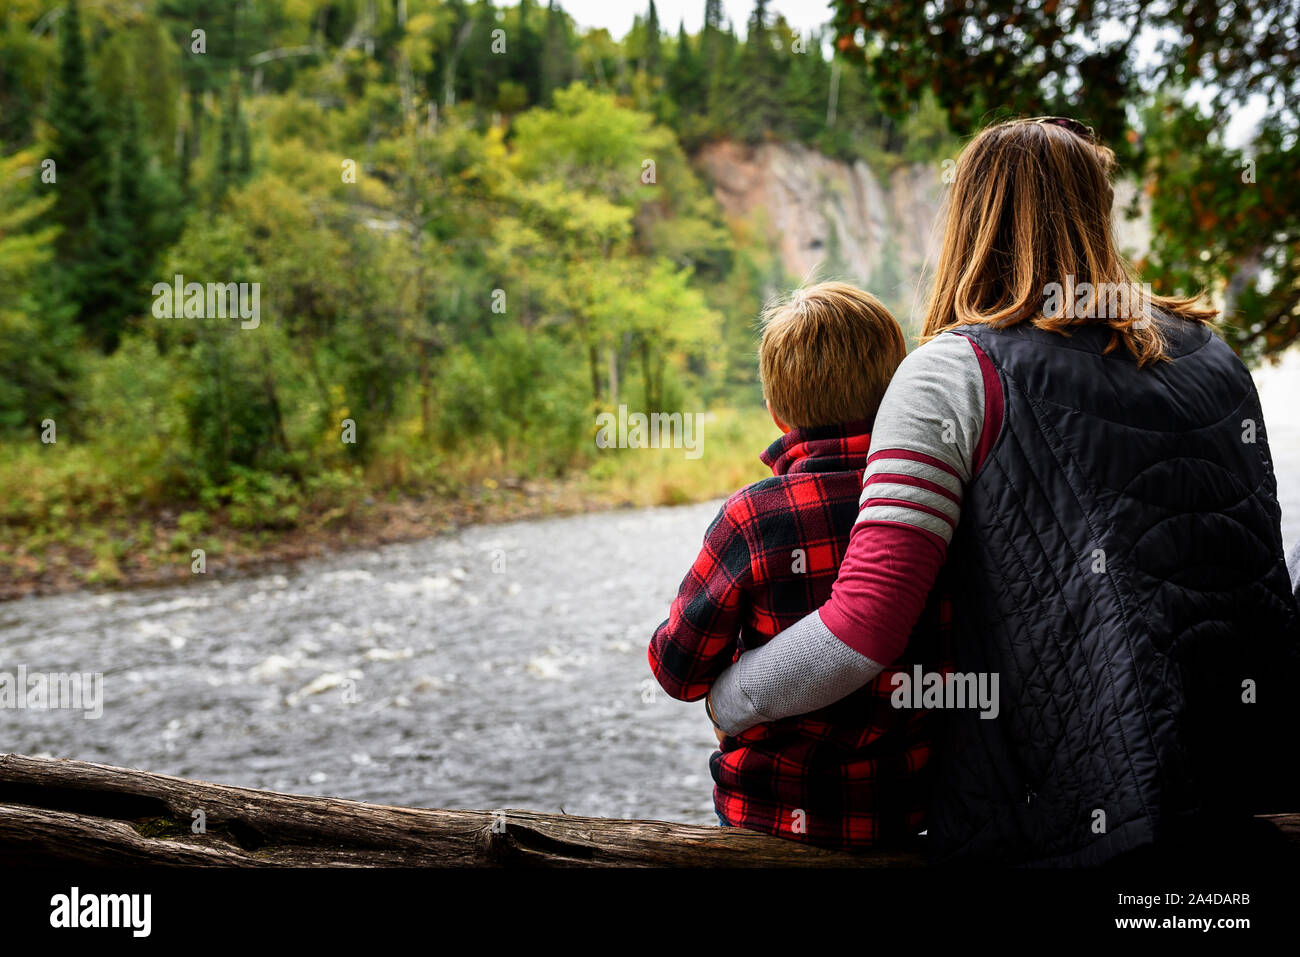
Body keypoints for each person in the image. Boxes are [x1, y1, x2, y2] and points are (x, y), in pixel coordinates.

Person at [706, 117, 1300, 866]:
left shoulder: (953, 373)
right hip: (1254, 788)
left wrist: (731, 695)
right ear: (1096, 211)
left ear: (967, 218)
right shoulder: (1213, 353)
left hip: (1068, 816)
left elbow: (865, 627)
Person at [648, 281, 949, 850]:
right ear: (897, 392)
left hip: (768, 811)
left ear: (775, 409)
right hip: (907, 812)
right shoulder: (935, 502)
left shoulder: (751, 518)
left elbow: (677, 673)